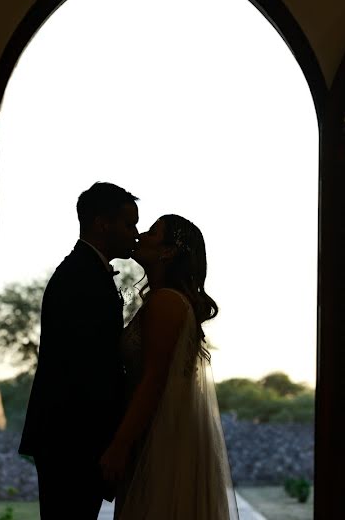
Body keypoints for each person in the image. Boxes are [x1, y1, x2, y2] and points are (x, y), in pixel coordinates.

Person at [101, 214, 239, 519]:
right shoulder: (166, 301)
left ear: (168, 251)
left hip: (157, 438)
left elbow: (154, 379)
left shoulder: (166, 302)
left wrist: (120, 445)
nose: (140, 236)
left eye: (151, 233)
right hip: (156, 432)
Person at [19, 182, 139, 518]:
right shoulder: (79, 277)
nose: (136, 233)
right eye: (129, 224)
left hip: (72, 439)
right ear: (103, 223)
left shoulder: (89, 273)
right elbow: (89, 368)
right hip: (71, 441)